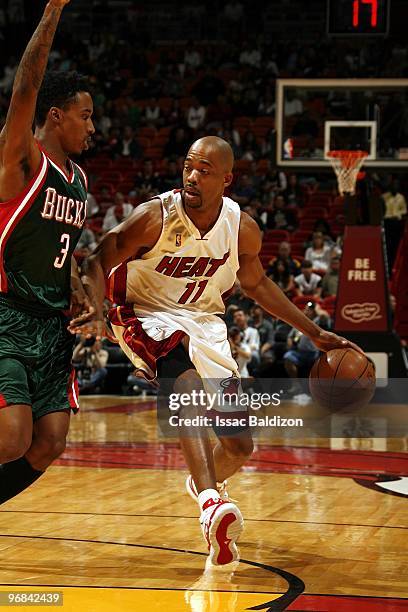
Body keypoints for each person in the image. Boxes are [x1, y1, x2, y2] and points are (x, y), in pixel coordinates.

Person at [76, 136, 361, 566]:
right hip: (142, 312)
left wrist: (314, 333)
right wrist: (96, 309)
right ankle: (210, 503)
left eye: (204, 171)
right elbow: (100, 254)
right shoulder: (155, 217)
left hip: (204, 322)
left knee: (239, 446)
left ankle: (201, 480)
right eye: (189, 166)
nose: (192, 176)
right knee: (181, 371)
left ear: (226, 179)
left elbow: (258, 284)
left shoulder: (240, 228)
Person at [0, 0, 95, 506]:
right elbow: (26, 86)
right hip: (7, 315)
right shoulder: (20, 159)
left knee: (50, 441)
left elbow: (67, 253)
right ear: (55, 117)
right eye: (85, 116)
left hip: (52, 326)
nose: (92, 127)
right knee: (12, 437)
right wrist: (54, 9)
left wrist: (80, 290)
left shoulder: (79, 181)